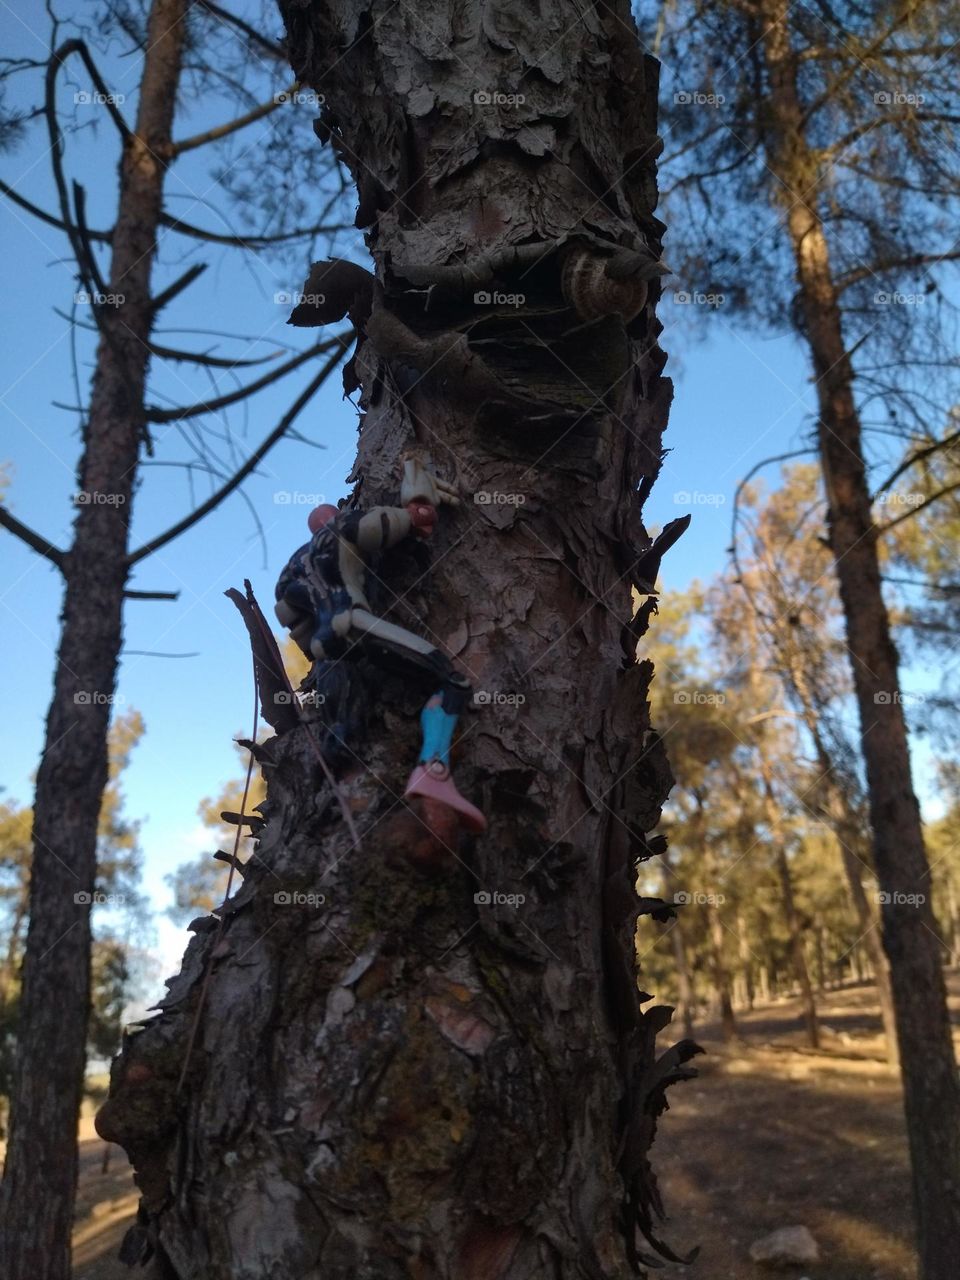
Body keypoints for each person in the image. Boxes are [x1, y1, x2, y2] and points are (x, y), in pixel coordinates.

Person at [275, 457, 486, 832]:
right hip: (355, 622)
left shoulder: (292, 568)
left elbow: (291, 619)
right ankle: (432, 770)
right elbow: (398, 523)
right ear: (331, 517)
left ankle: (339, 752)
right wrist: (419, 503)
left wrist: (317, 647)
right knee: (450, 682)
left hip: (327, 645)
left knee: (347, 706)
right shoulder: (341, 527)